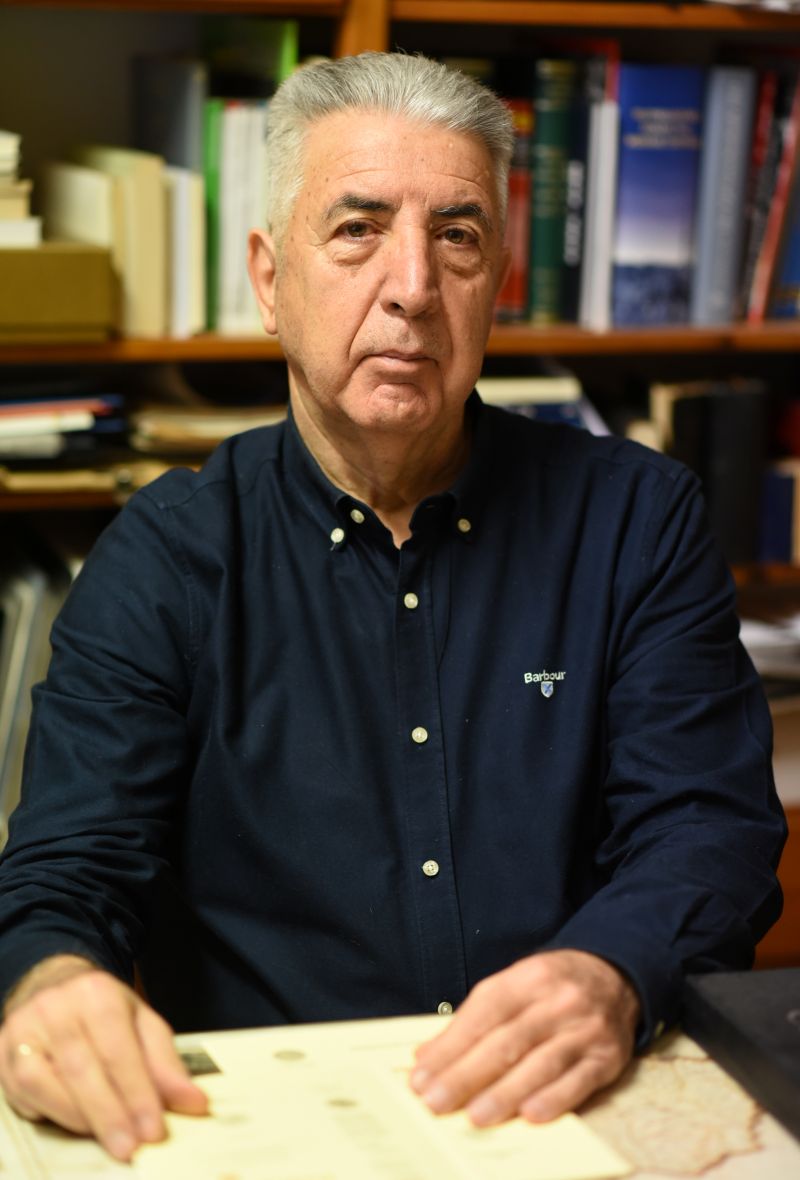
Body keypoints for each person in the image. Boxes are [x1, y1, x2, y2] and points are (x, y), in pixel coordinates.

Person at [0, 52, 786, 1164]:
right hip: (280, 1137)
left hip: (564, 1114)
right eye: (357, 229)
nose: (412, 285)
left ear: (496, 281)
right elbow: (64, 872)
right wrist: (51, 982)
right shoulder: (165, 557)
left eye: (456, 236)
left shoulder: (636, 521)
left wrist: (613, 970)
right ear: (269, 279)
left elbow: (707, 830)